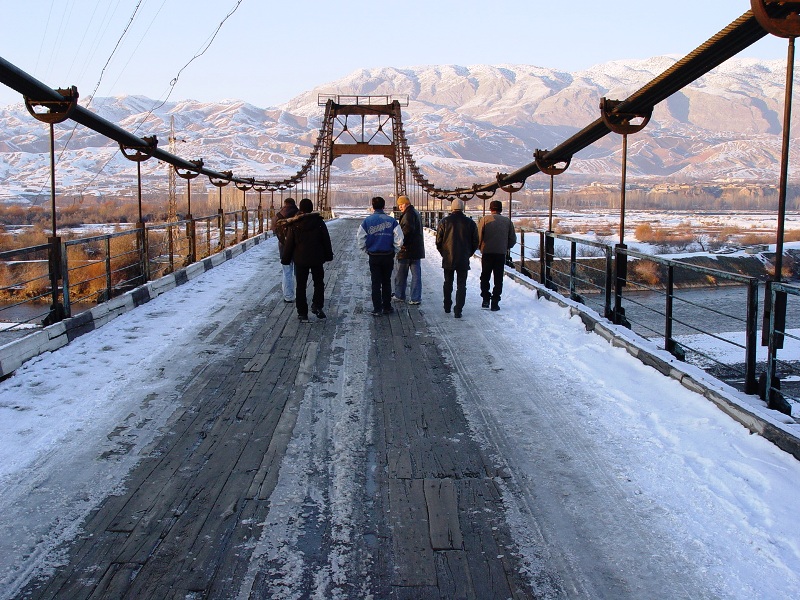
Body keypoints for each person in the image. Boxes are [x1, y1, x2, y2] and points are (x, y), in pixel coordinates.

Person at [281, 198, 333, 322]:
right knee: (319, 283)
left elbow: (289, 243)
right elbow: (326, 240)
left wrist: (286, 259)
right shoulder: (319, 222)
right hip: (317, 258)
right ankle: (317, 305)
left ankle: (302, 313)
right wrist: (328, 255)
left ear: (300, 208)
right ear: (311, 208)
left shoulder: (294, 224)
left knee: (301, 286)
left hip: (300, 259)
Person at [357, 196, 403, 316]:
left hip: (374, 256)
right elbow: (399, 238)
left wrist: (366, 250)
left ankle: (377, 308)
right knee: (386, 282)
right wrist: (395, 250)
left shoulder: (367, 221)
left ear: (372, 207)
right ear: (384, 206)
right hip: (388, 255)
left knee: (375, 282)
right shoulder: (392, 220)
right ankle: (387, 307)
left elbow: (360, 238)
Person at [435, 199, 478, 319]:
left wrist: (444, 253)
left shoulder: (444, 221)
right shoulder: (470, 223)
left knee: (447, 282)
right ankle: (458, 310)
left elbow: (438, 241)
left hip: (448, 257)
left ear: (451, 208)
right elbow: (475, 241)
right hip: (463, 258)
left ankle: (447, 305)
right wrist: (468, 253)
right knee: (461, 285)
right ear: (463, 208)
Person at [477, 199, 517, 311]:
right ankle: (495, 302)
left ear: (490, 209)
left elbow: (478, 236)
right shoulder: (507, 221)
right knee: (498, 278)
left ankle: (485, 299)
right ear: (500, 209)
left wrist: (480, 247)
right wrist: (505, 246)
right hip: (500, 253)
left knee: (485, 276)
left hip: (487, 252)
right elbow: (512, 239)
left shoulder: (484, 220)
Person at [392, 195, 425, 305]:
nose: (400, 207)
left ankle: (399, 295)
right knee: (416, 276)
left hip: (407, 250)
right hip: (416, 250)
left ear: (406, 204)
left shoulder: (408, 215)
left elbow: (406, 231)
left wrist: (400, 243)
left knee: (401, 275)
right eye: (399, 205)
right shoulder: (415, 213)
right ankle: (415, 298)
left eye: (401, 205)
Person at [272, 197, 299, 302]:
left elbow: (274, 230)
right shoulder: (299, 215)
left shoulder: (277, 216)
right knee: (299, 272)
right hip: (298, 248)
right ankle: (300, 293)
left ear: (284, 204)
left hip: (284, 247)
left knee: (287, 272)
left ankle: (288, 296)